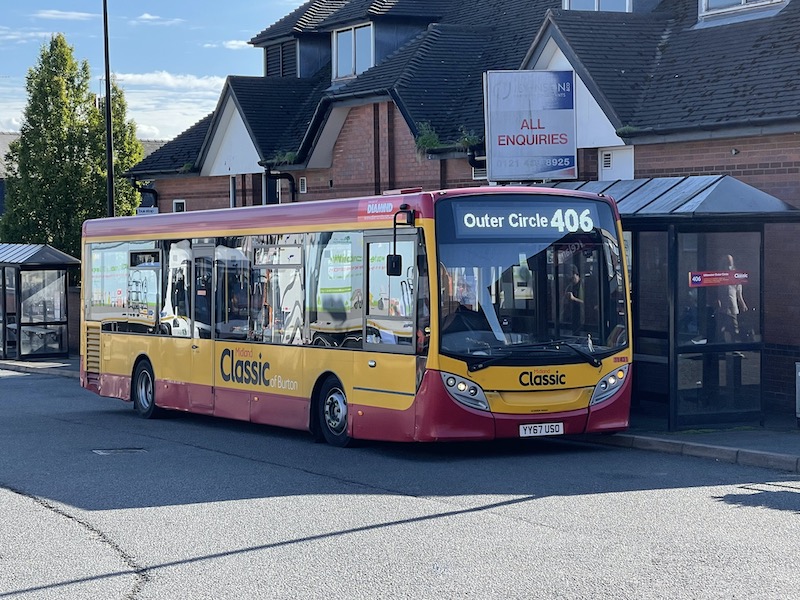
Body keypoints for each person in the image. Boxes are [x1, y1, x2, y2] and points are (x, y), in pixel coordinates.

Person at [720, 254, 747, 342]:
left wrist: (743, 304)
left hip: (732, 307)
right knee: (720, 329)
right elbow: (716, 291)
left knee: (734, 328)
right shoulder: (720, 275)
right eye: (727, 262)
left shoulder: (736, 276)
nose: (728, 264)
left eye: (730, 262)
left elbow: (739, 293)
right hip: (722, 308)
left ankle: (734, 346)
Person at [563, 265, 585, 334]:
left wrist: (574, 299)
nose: (569, 278)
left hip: (583, 319)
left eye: (570, 275)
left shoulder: (584, 285)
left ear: (576, 274)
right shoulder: (569, 287)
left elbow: (588, 304)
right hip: (571, 318)